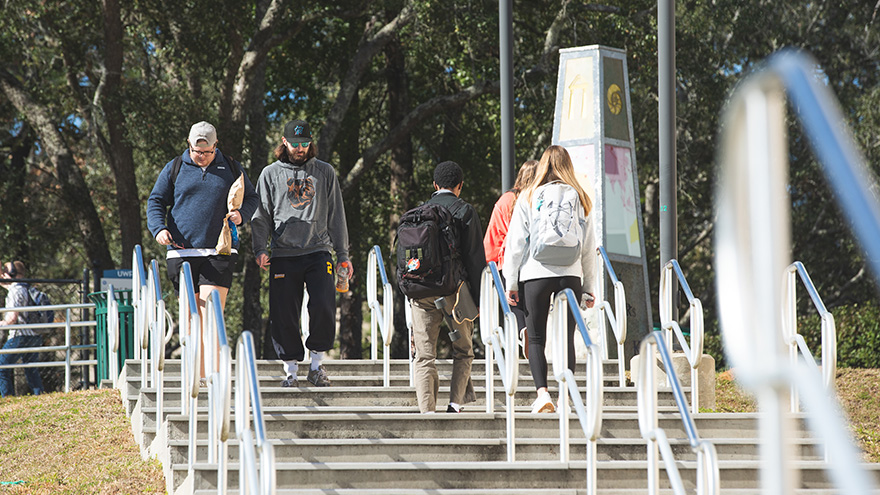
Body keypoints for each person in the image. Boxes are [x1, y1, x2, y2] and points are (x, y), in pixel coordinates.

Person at [147, 121, 259, 380]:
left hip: (219, 251)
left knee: (211, 314)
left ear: (215, 146)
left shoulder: (230, 166)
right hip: (181, 252)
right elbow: (155, 201)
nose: (202, 156)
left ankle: (215, 379)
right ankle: (195, 381)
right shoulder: (174, 167)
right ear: (189, 145)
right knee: (189, 319)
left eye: (207, 152)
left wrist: (242, 215)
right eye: (197, 152)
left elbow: (252, 198)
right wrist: (158, 229)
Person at [251, 119, 353, 388]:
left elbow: (336, 215)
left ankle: (317, 365)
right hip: (283, 253)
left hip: (318, 250)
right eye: (295, 143)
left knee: (323, 304)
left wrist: (343, 253)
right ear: (284, 143)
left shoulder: (324, 172)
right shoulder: (270, 174)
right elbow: (260, 216)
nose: (300, 148)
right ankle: (290, 370)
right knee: (284, 311)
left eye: (305, 143)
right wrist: (260, 249)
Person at [502, 145, 596, 413]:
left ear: (542, 165)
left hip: (536, 274)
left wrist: (511, 283)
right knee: (567, 337)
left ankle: (543, 393)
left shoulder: (529, 195)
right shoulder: (581, 198)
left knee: (536, 338)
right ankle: (566, 396)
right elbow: (589, 247)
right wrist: (588, 288)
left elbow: (515, 244)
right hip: (570, 275)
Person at [409, 161, 486, 413]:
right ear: (460, 186)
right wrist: (479, 299)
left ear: (434, 185)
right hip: (454, 292)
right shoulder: (464, 211)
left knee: (424, 355)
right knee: (463, 349)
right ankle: (455, 404)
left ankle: (426, 412)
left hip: (420, 292)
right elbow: (475, 258)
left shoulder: (419, 213)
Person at [483, 159, 538, 336]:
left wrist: (489, 264)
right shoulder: (541, 199)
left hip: (507, 260)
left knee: (513, 304)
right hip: (535, 261)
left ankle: (521, 332)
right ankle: (532, 337)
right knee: (533, 304)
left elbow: (493, 234)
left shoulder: (507, 199)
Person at [0, 261, 44, 397]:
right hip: (34, 336)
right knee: (31, 369)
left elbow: (12, 318)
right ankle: (40, 395)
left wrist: (2, 323)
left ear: (11, 273)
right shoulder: (25, 288)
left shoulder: (14, 291)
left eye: (4, 271)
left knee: (1, 367)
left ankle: (7, 398)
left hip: (19, 336)